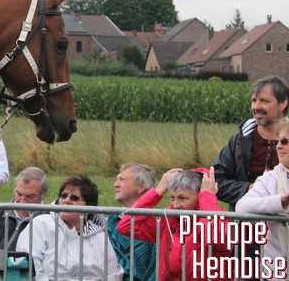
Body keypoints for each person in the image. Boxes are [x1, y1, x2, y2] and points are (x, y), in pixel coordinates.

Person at [117, 168, 233, 281]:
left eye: (182, 198)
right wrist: (157, 192)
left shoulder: (221, 219)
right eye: (172, 197)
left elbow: (215, 238)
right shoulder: (167, 220)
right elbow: (126, 226)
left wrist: (207, 197)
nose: (176, 205)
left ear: (200, 197)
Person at [17, 175, 123, 280]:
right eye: (63, 196)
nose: (67, 200)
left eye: (74, 198)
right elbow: (29, 267)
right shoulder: (40, 225)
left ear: (88, 207)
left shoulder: (100, 236)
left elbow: (112, 274)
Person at [213, 75, 289, 209]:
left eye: (264, 101)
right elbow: (215, 181)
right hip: (244, 220)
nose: (256, 106)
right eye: (254, 100)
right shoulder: (239, 140)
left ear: (283, 103)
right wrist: (249, 189)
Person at [235, 117, 289, 278]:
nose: (279, 146)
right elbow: (242, 207)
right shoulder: (270, 178)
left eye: (285, 141)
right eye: (277, 141)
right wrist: (281, 201)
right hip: (278, 270)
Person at [107, 163, 157, 281]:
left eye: (122, 180)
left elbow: (155, 269)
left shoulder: (156, 222)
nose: (115, 184)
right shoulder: (111, 220)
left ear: (140, 187)